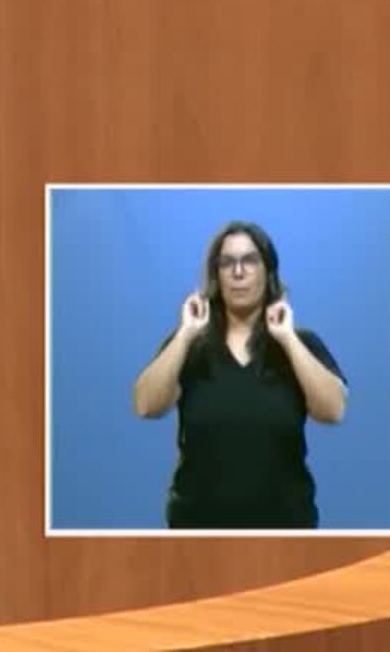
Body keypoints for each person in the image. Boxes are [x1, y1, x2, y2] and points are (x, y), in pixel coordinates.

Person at [131, 221, 348, 529]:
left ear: (268, 272)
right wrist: (185, 334)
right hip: (197, 527)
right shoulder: (192, 346)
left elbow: (333, 410)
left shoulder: (300, 344)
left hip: (285, 527)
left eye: (249, 261)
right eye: (227, 263)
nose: (238, 272)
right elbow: (146, 406)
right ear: (216, 275)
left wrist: (287, 338)